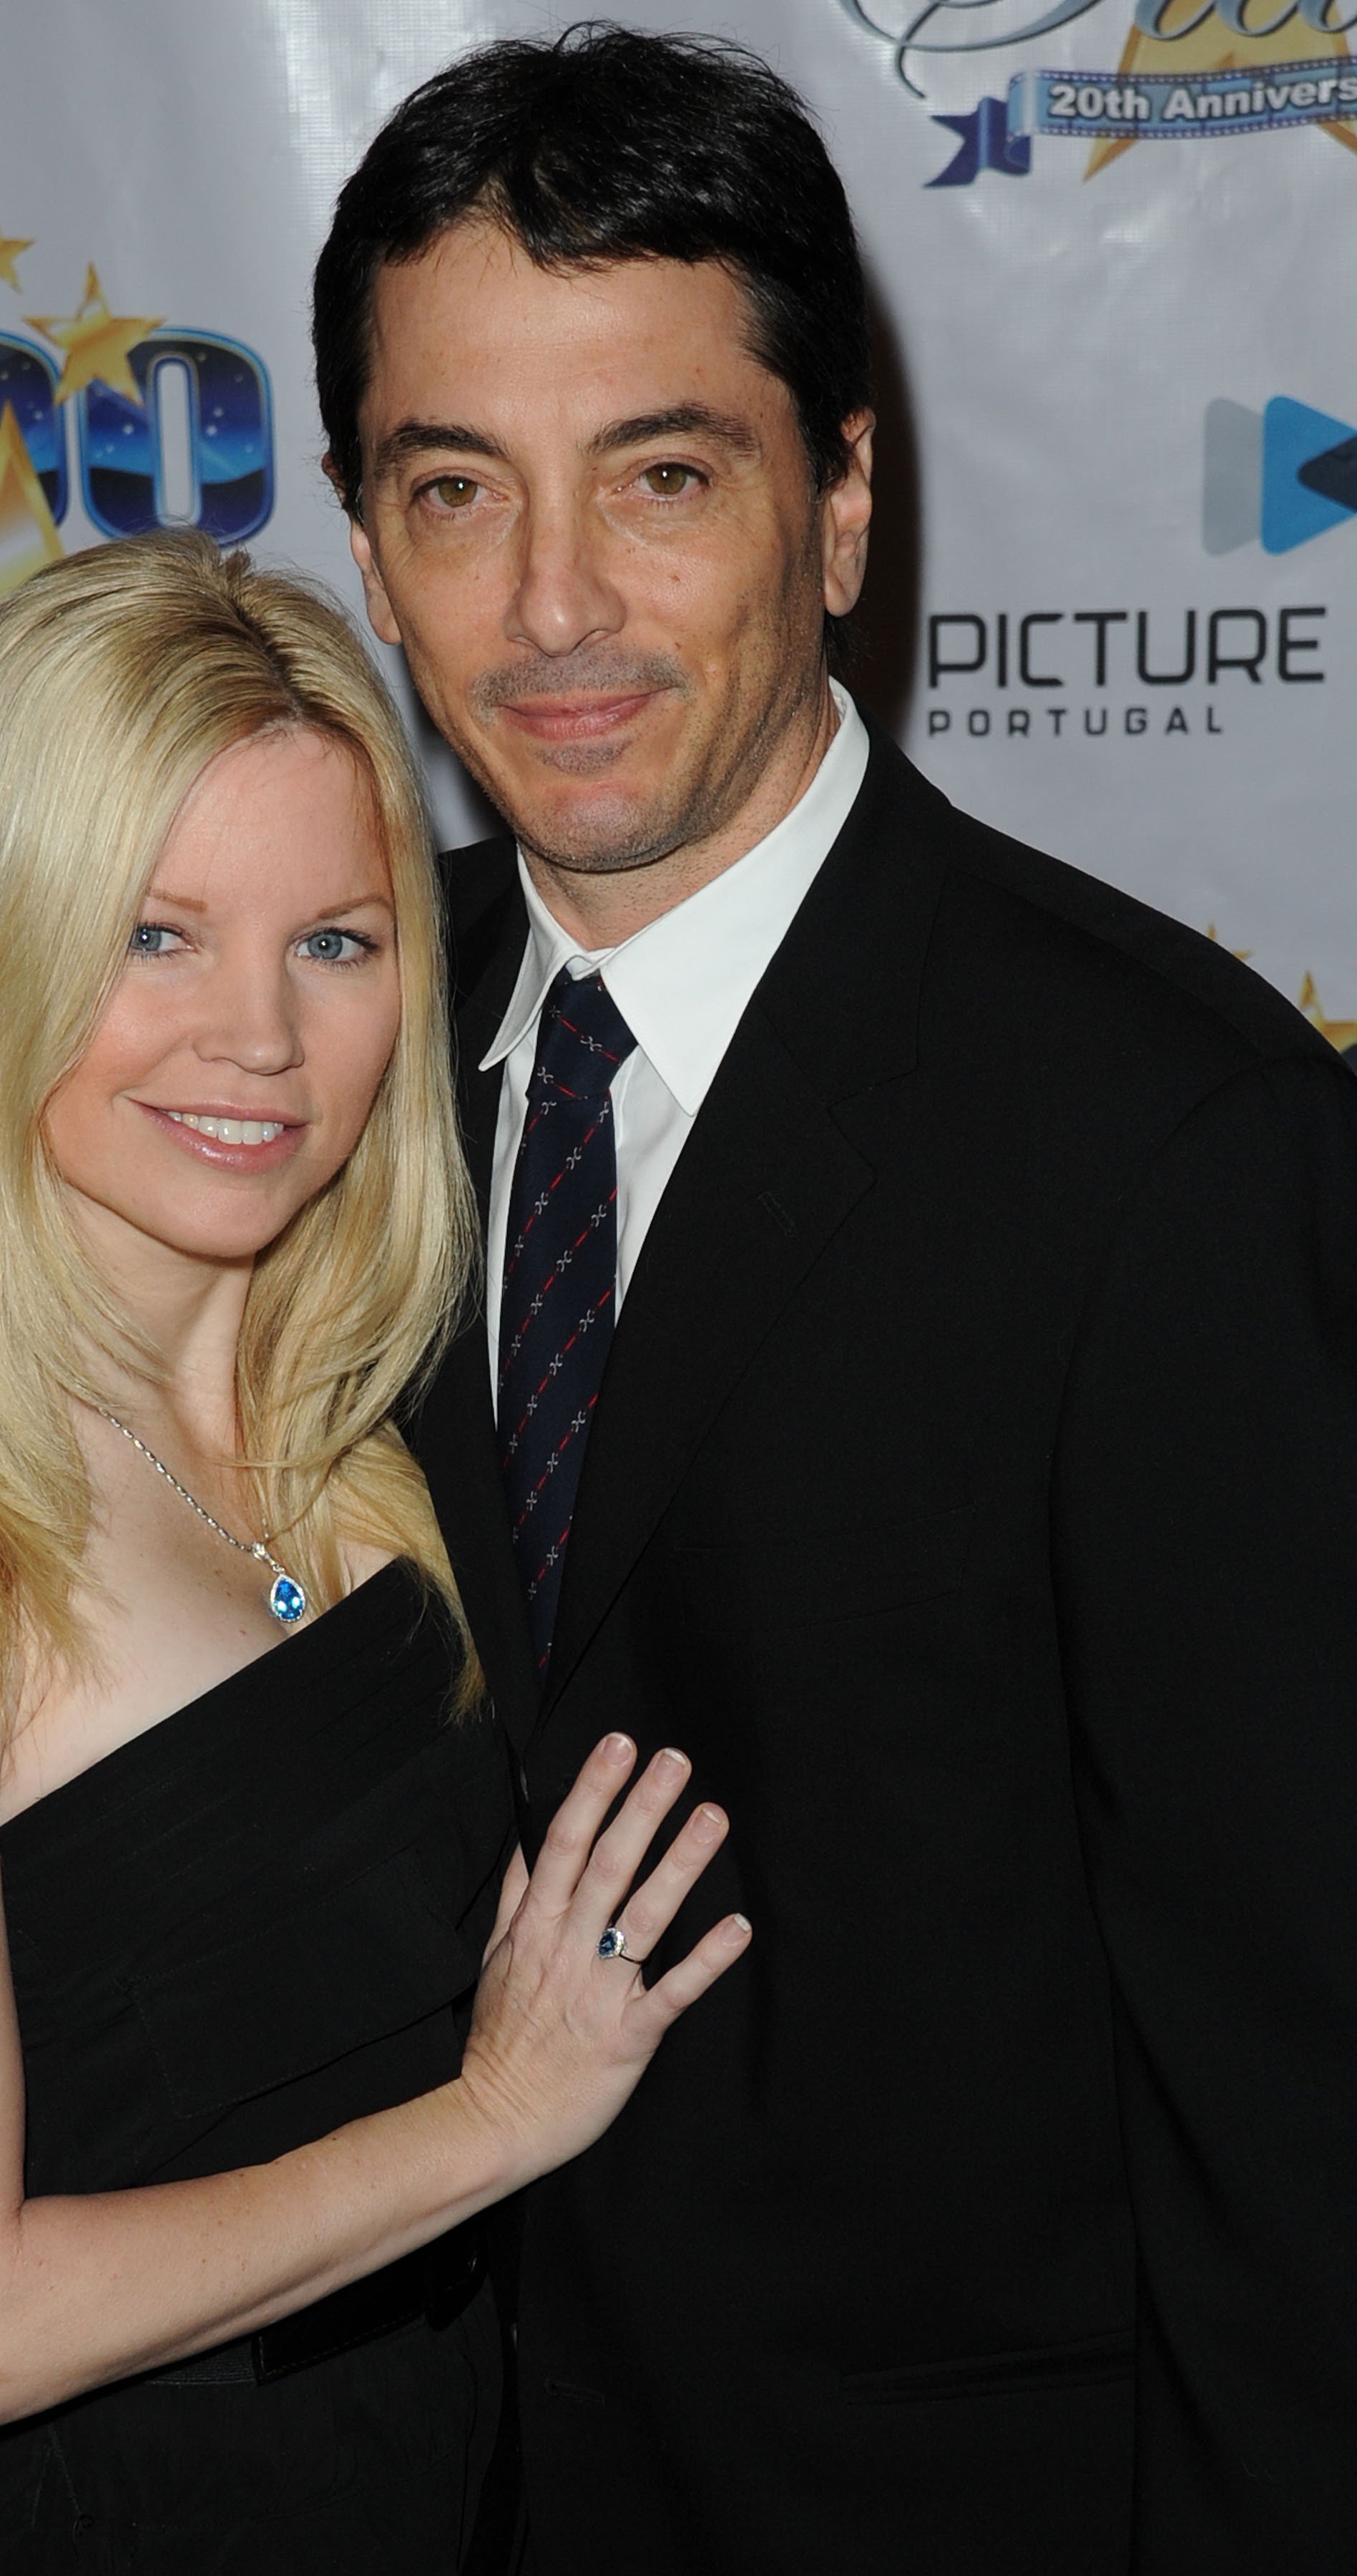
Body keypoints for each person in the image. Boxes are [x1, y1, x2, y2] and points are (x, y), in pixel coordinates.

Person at [312, 23, 1357, 2572]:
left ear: (848, 501)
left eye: (662, 479)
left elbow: (1304, 2121)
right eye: (457, 493)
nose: (552, 608)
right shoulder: (311, 1055)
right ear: (365, 551)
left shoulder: (1172, 1145)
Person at [0, 532, 750, 2574]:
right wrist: (495, 2123)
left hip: (427, 2476)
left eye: (337, 943)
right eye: (156, 936)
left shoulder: (355, 1422)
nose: (260, 1038)